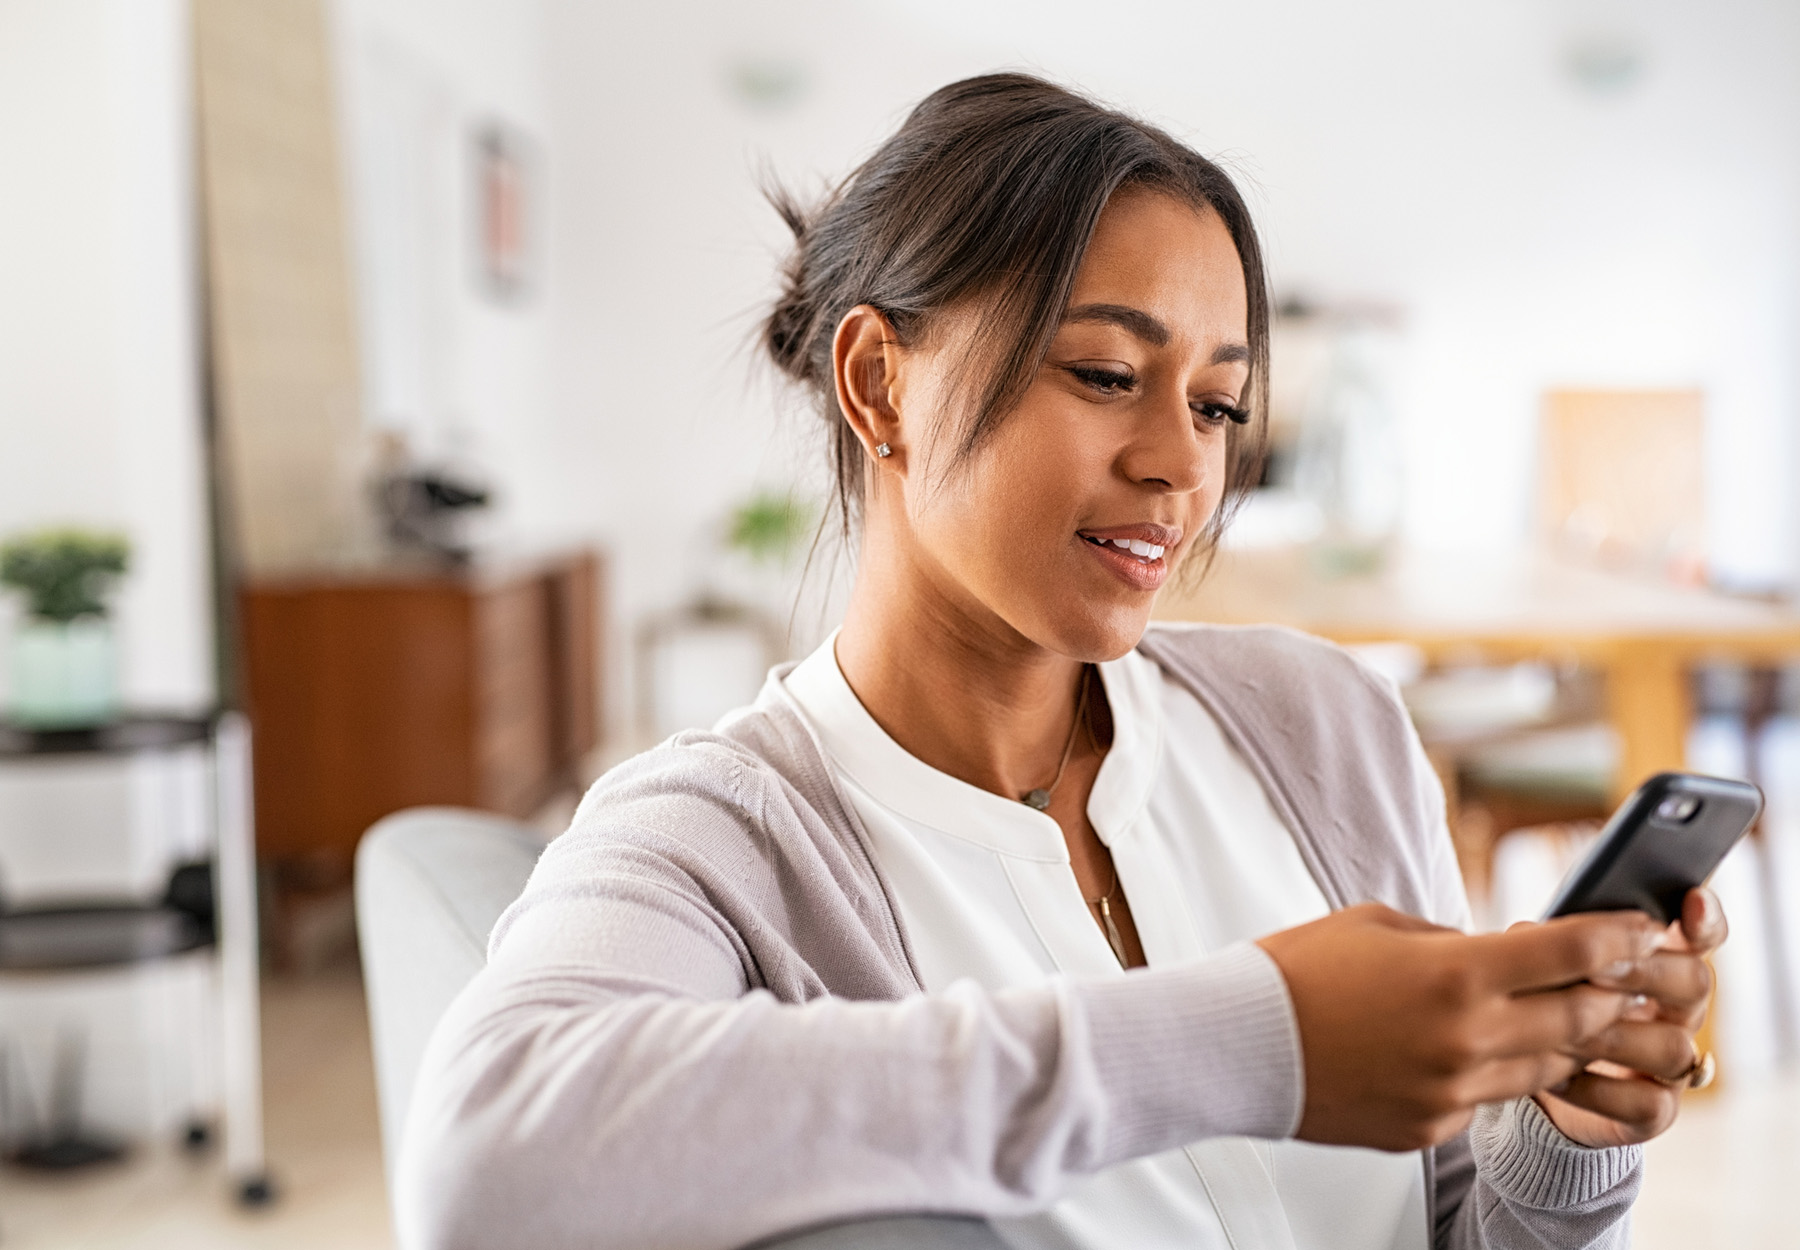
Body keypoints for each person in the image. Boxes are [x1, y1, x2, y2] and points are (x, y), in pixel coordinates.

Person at [399, 74, 1725, 1250]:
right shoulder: (725, 833)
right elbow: (480, 1168)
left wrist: (1561, 1132)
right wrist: (1259, 1042)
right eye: (1103, 372)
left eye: (1218, 403)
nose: (1180, 462)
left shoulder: (1327, 726)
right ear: (878, 384)